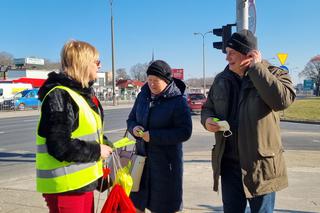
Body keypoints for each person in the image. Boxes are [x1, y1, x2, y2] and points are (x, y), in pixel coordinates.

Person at [201, 30, 296, 213]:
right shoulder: (221, 79)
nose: (227, 58)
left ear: (248, 54)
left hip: (260, 166)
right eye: (226, 53)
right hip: (229, 164)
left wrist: (257, 68)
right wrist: (208, 121)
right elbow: (207, 108)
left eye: (231, 53)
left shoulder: (271, 73)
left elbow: (282, 101)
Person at [36, 40, 113, 213]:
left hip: (81, 185)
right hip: (66, 188)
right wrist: (96, 150)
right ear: (83, 63)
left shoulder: (80, 93)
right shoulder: (60, 95)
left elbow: (87, 133)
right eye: (97, 62)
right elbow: (59, 145)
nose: (99, 66)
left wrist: (106, 144)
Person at [127, 60, 192, 213]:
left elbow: (185, 131)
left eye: (156, 81)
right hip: (141, 163)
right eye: (149, 80)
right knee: (136, 205)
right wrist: (134, 128)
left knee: (163, 207)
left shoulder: (177, 101)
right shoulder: (143, 97)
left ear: (166, 80)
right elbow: (131, 119)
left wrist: (154, 136)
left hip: (165, 167)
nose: (151, 84)